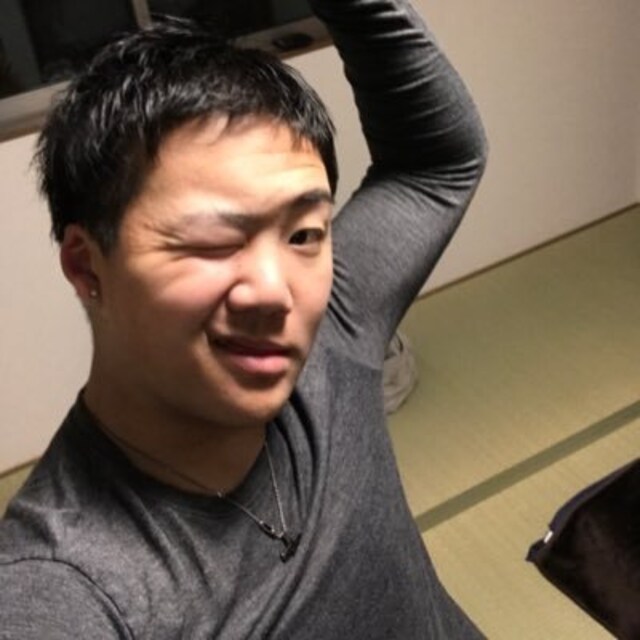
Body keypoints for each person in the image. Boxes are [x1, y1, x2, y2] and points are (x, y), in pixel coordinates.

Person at [0, 0, 488, 636]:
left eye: (304, 234)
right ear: (87, 267)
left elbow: (435, 161)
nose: (274, 293)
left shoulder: (332, 340)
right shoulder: (66, 587)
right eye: (211, 241)